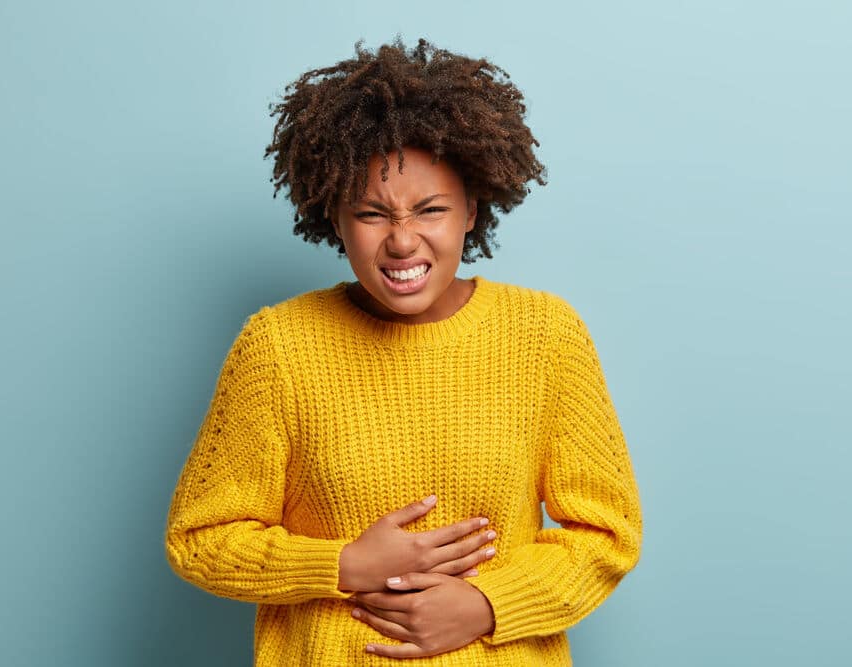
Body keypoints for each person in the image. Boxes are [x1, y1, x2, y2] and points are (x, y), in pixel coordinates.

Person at [165, 37, 642, 666]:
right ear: (332, 216)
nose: (401, 240)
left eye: (431, 210)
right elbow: (200, 538)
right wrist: (343, 564)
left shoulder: (545, 335)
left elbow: (606, 534)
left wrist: (488, 605)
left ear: (473, 209)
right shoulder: (278, 346)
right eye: (370, 213)